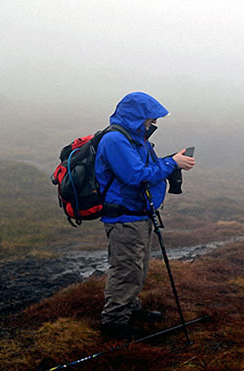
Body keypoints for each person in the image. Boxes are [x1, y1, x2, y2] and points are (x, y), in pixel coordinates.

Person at [95, 92, 195, 339]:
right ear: (136, 116)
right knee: (126, 268)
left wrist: (171, 160)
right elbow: (136, 175)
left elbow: (144, 169)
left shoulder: (134, 139)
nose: (153, 124)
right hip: (124, 217)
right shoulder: (116, 140)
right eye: (150, 119)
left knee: (137, 267)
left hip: (138, 214)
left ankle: (130, 306)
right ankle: (114, 320)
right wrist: (172, 163)